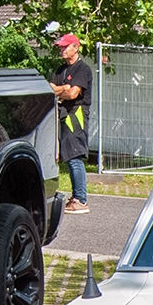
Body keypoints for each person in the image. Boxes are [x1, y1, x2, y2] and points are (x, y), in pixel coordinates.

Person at [51, 32, 92, 213]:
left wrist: (62, 91)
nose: (62, 50)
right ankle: (75, 198)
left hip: (76, 116)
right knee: (64, 156)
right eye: (60, 47)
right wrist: (63, 88)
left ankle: (80, 199)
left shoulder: (82, 69)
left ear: (76, 47)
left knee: (74, 156)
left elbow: (73, 94)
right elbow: (50, 88)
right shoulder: (61, 70)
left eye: (65, 46)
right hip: (61, 114)